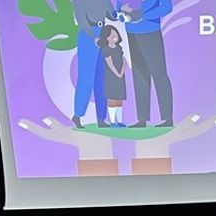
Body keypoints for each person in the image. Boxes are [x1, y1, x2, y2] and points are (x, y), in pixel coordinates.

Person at [121, 0, 174, 128]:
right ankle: (142, 119)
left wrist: (142, 15)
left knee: (159, 74)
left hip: (151, 31)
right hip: (131, 32)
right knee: (139, 75)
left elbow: (166, 7)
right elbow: (118, 6)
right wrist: (120, 11)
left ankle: (167, 118)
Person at [69, 0, 113, 128]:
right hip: (88, 36)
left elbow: (111, 15)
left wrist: (119, 12)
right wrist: (94, 37)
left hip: (103, 33)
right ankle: (77, 115)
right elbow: (82, 22)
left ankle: (101, 118)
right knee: (86, 78)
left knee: (101, 79)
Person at [98, 25, 127, 127]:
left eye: (115, 34)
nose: (114, 36)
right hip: (111, 77)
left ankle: (119, 121)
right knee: (112, 99)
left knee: (119, 100)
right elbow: (109, 63)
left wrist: (122, 71)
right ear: (106, 37)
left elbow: (123, 60)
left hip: (120, 76)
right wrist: (117, 73)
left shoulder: (119, 48)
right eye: (111, 35)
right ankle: (112, 122)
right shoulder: (105, 49)